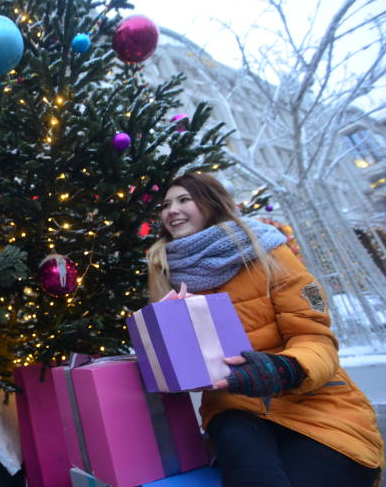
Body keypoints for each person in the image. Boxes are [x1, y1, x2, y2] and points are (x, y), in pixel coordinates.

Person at [146, 172, 383, 487]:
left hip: (314, 401)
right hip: (235, 409)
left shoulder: (269, 249)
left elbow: (316, 337)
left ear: (212, 203)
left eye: (184, 199)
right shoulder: (166, 271)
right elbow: (193, 374)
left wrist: (282, 368)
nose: (171, 210)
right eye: (166, 204)